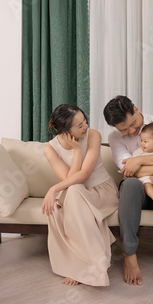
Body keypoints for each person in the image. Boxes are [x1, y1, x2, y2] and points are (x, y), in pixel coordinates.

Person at [103, 95, 153, 287]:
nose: (131, 131)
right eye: (124, 129)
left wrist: (138, 160)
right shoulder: (115, 137)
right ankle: (129, 255)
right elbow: (127, 170)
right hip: (136, 193)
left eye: (132, 124)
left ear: (136, 110)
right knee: (130, 183)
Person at [42, 104, 119, 287]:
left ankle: (93, 265)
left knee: (73, 192)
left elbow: (82, 176)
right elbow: (70, 180)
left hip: (102, 192)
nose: (85, 127)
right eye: (79, 125)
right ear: (64, 130)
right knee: (66, 200)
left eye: (85, 121)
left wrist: (53, 189)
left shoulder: (93, 135)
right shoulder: (50, 149)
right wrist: (76, 150)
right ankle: (78, 265)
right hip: (76, 193)